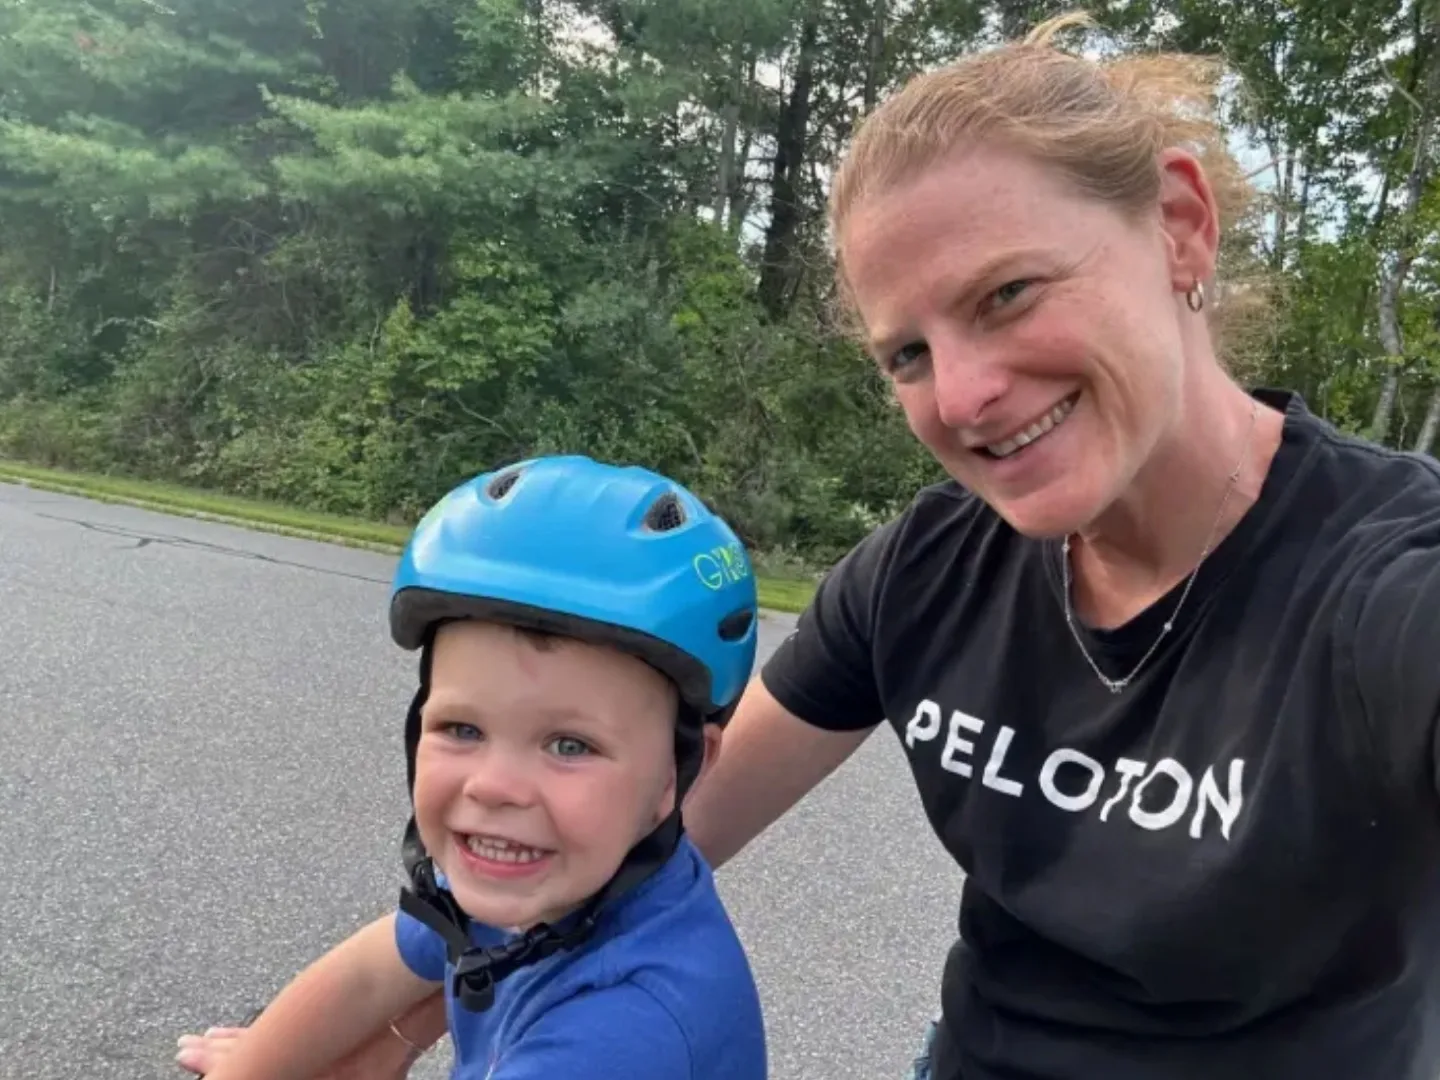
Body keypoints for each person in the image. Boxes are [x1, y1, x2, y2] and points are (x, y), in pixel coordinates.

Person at [186, 10, 1440, 1079]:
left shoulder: (1382, 584)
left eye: (1007, 294)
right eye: (909, 353)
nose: (963, 395)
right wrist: (399, 1018)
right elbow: (640, 828)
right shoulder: (930, 572)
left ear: (1178, 226)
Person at [176, 454, 767, 1080]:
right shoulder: (547, 871)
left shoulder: (626, 1029)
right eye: (463, 729)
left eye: (570, 746)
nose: (494, 787)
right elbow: (367, 977)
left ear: (678, 771)